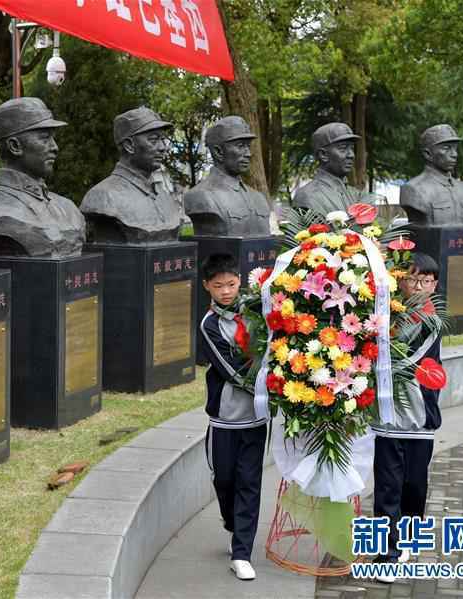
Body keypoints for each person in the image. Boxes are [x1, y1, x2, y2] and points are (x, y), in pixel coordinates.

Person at [370, 252, 442, 583]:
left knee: (414, 484)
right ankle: (387, 553)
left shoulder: (433, 320)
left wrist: (379, 365)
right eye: (413, 279)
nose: (419, 286)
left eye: (426, 281)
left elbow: (411, 359)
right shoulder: (384, 312)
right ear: (401, 279)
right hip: (387, 417)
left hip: (419, 416)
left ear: (435, 285)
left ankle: (409, 536)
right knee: (387, 485)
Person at [197, 253, 268, 581]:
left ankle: (242, 552)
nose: (226, 291)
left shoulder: (257, 311)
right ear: (207, 287)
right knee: (224, 480)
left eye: (231, 284)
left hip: (255, 419)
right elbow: (227, 369)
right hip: (225, 418)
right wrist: (263, 384)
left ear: (240, 281)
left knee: (250, 482)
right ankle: (232, 522)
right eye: (218, 286)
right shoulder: (210, 324)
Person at [0, 97, 85, 258]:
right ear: (15, 146)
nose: (55, 147)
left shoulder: (69, 209)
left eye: (53, 138)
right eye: (44, 138)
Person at [80, 106, 179, 243]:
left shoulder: (164, 196)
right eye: (153, 140)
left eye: (163, 139)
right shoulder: (103, 196)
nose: (163, 147)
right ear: (129, 145)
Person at [183, 116, 270, 237]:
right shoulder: (200, 196)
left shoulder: (258, 198)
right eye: (240, 146)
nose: (248, 154)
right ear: (218, 152)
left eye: (248, 146)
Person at [400, 124, 463, 227]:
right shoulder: (413, 189)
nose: (454, 154)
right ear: (428, 154)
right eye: (446, 148)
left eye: (455, 149)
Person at [292, 122, 363, 215]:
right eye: (343, 148)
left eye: (352, 148)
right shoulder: (307, 195)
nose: (351, 155)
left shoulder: (356, 194)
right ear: (323, 155)